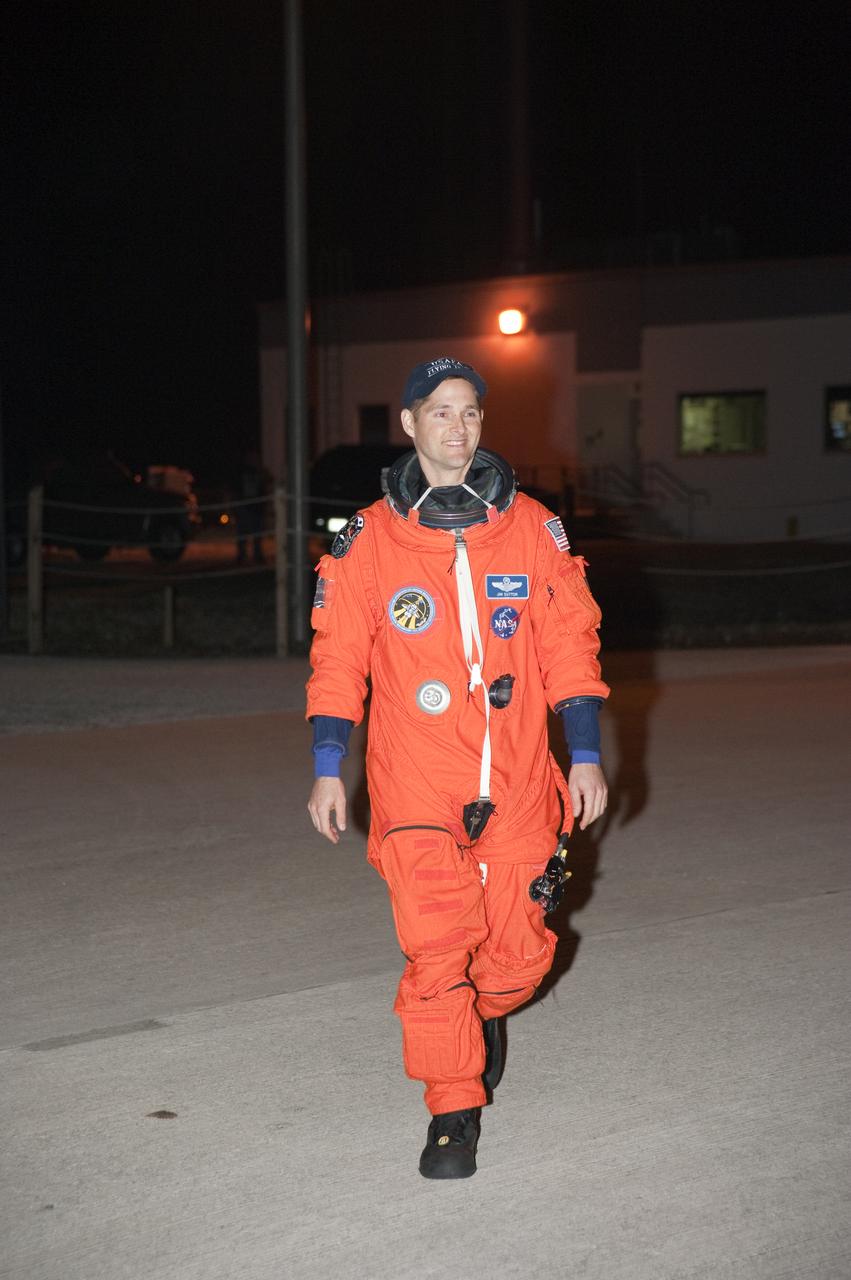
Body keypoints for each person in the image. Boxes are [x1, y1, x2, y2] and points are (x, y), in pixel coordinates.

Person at [306, 357, 609, 1179]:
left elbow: (568, 645)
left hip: (515, 777)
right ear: (408, 424)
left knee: (517, 957)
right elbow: (338, 661)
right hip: (414, 780)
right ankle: (452, 1109)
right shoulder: (369, 540)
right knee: (437, 948)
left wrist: (582, 752)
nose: (456, 426)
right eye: (439, 411)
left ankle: (484, 1015)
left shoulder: (533, 529)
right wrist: (329, 763)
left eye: (469, 411)